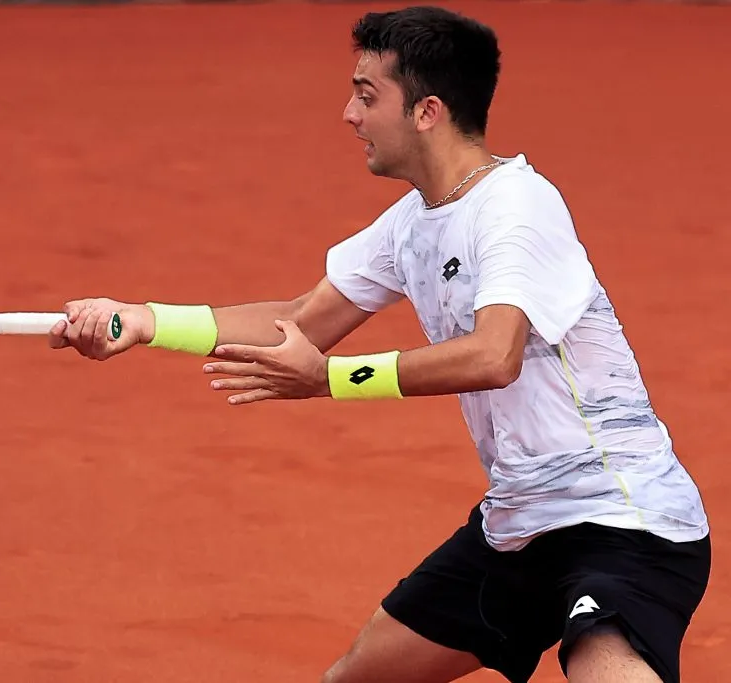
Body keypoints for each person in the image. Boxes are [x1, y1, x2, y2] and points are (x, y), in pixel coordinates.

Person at [45, 6, 711, 682]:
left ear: (427, 111)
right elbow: (301, 319)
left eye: (367, 95)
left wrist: (328, 378)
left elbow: (493, 355)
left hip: (624, 521)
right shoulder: (411, 224)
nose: (348, 114)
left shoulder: (517, 207)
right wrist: (143, 320)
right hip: (518, 526)